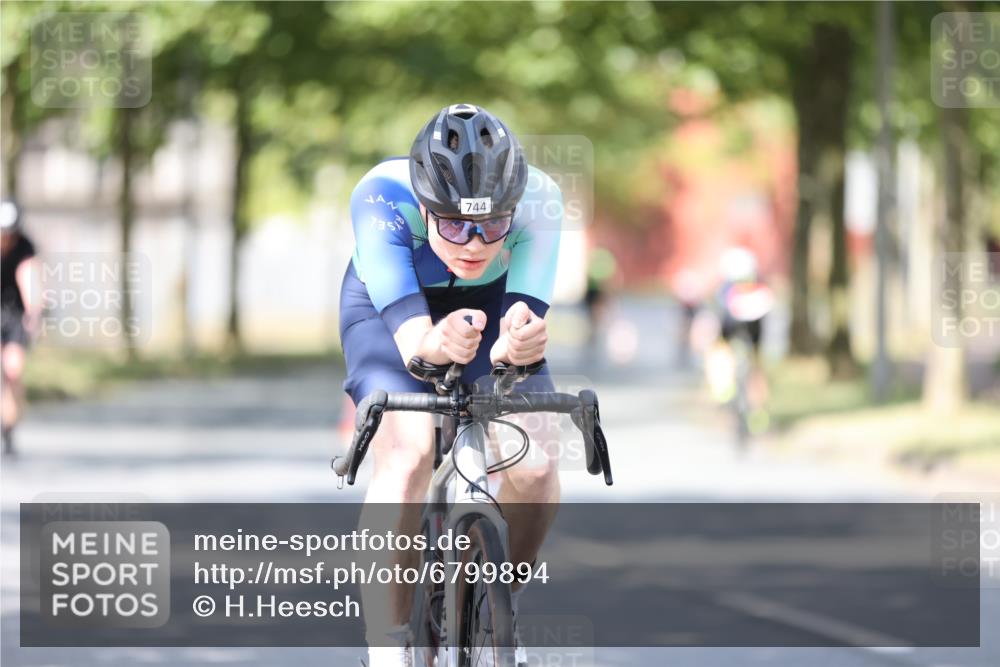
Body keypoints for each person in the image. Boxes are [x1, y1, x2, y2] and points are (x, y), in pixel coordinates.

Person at [339, 104, 562, 667]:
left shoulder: (541, 199)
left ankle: (495, 611)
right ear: (424, 204)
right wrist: (433, 345)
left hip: (490, 304)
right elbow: (417, 342)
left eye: (492, 225)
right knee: (409, 452)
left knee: (534, 466)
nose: (474, 242)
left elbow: (521, 321)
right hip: (393, 307)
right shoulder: (381, 195)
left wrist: (519, 344)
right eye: (454, 223)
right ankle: (388, 647)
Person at [701, 246, 774, 433]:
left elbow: (716, 314)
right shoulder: (758, 284)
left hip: (740, 332)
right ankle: (757, 409)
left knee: (722, 354)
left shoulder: (726, 288)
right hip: (746, 333)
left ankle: (730, 396)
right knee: (754, 365)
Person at [1, 199, 41, 456]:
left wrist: (34, 313)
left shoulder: (25, 246)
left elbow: (30, 278)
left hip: (14, 315)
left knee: (13, 371)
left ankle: (9, 431)